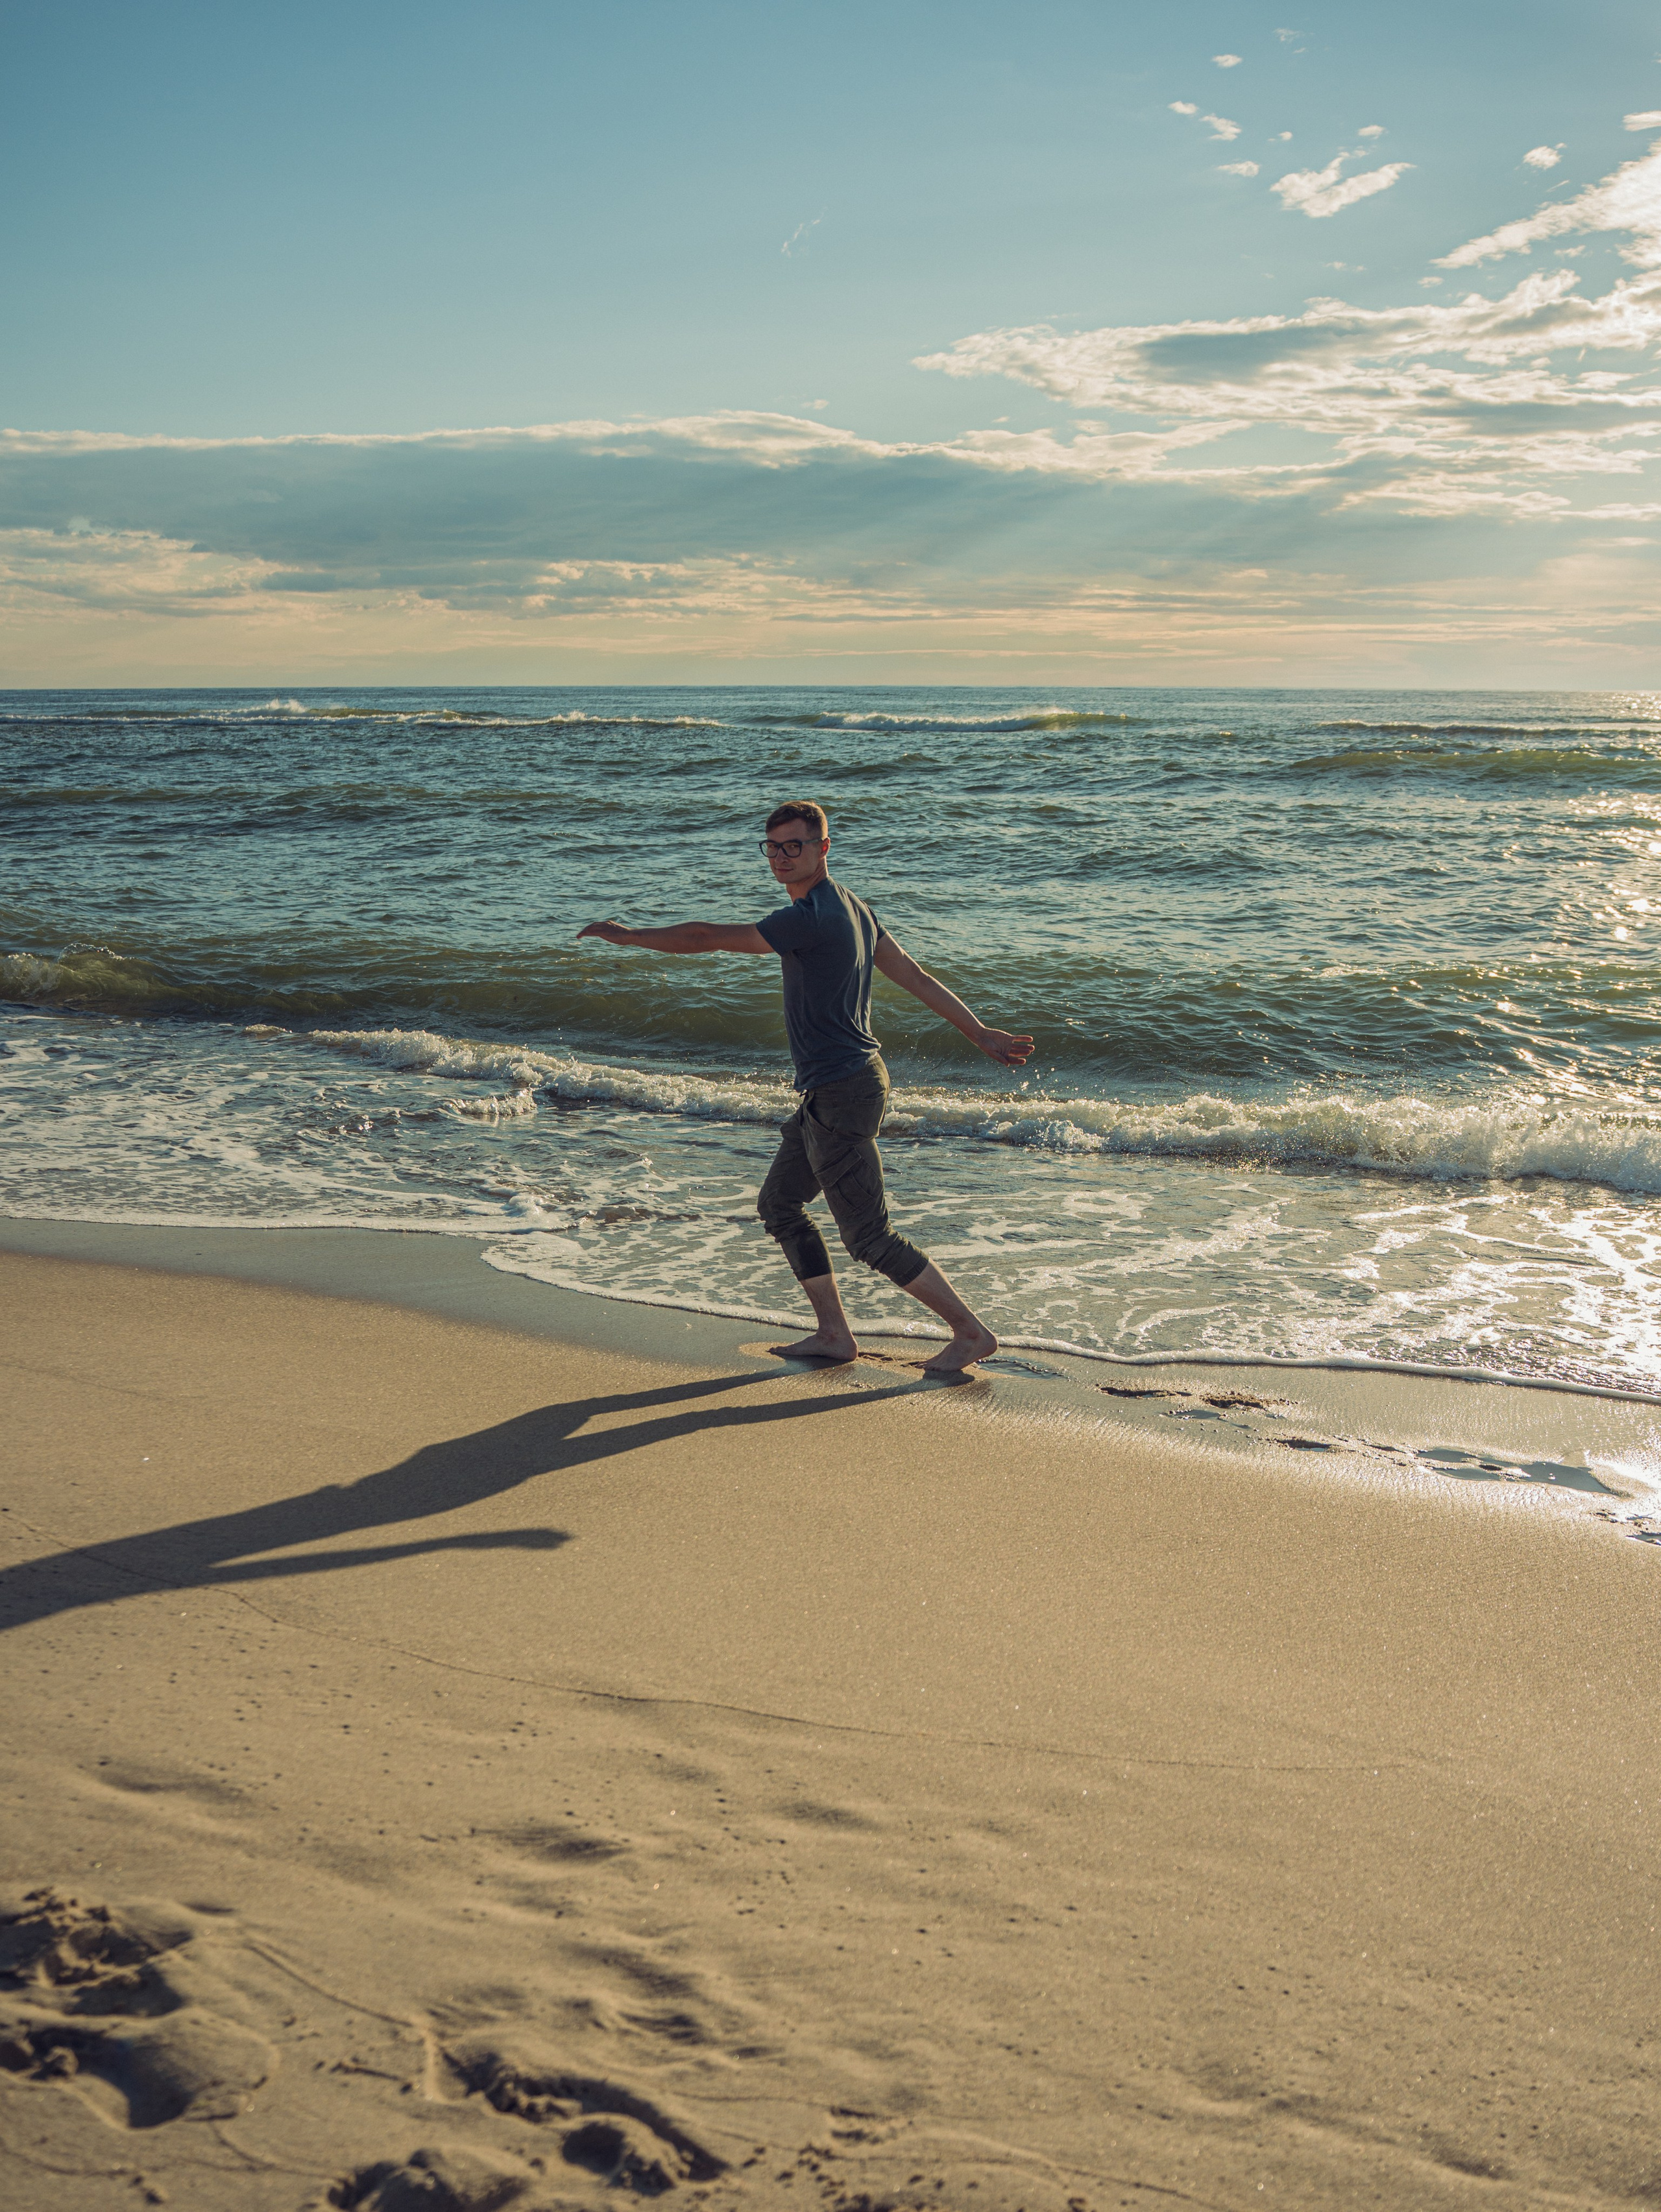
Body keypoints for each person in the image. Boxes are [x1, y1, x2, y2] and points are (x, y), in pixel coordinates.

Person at [577, 801, 1033, 1373]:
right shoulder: (853, 907)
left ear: (824, 847)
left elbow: (704, 936)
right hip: (836, 1089)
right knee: (780, 1204)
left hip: (844, 1089)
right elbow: (915, 977)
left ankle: (969, 1332)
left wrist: (629, 936)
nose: (783, 857)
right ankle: (834, 1334)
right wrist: (980, 1033)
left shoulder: (815, 914)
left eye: (796, 845)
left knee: (869, 1236)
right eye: (774, 846)